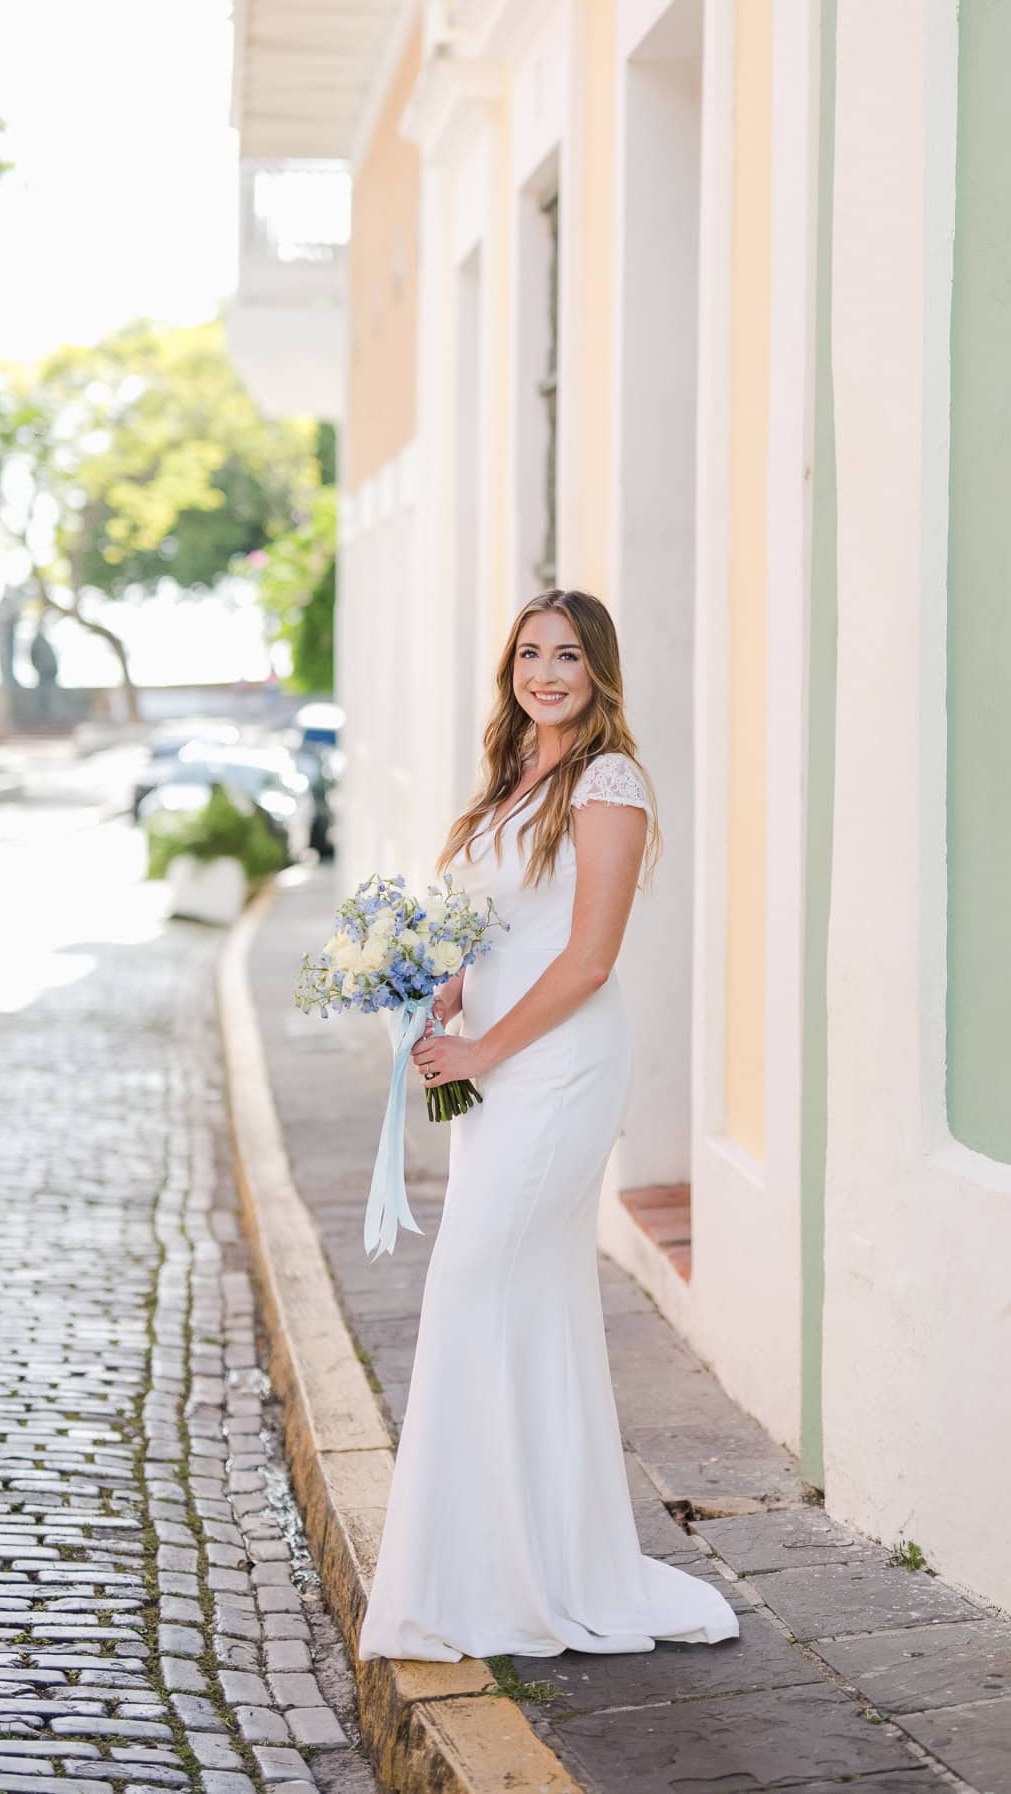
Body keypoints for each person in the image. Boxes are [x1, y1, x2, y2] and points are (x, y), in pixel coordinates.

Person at [357, 588, 738, 1662]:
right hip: (497, 1068)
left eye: (568, 655)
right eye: (530, 654)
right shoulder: (509, 778)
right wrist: (438, 993)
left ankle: (502, 1574)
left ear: (598, 669)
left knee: (476, 1281)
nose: (546, 672)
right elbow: (493, 927)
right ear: (510, 670)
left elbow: (589, 956)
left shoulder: (607, 781)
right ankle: (522, 1559)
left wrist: (484, 1046)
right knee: (522, 1301)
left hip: (558, 1068)